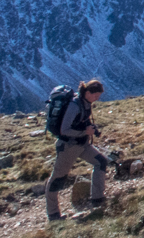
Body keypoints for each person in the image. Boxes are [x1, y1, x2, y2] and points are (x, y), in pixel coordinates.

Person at [46, 79, 109, 221]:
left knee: (101, 162)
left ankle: (97, 199)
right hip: (68, 147)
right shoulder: (74, 106)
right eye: (95, 95)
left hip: (82, 144)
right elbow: (64, 130)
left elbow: (82, 121)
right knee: (57, 179)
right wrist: (85, 132)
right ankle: (53, 214)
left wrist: (91, 130)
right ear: (87, 92)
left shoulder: (85, 103)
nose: (97, 98)